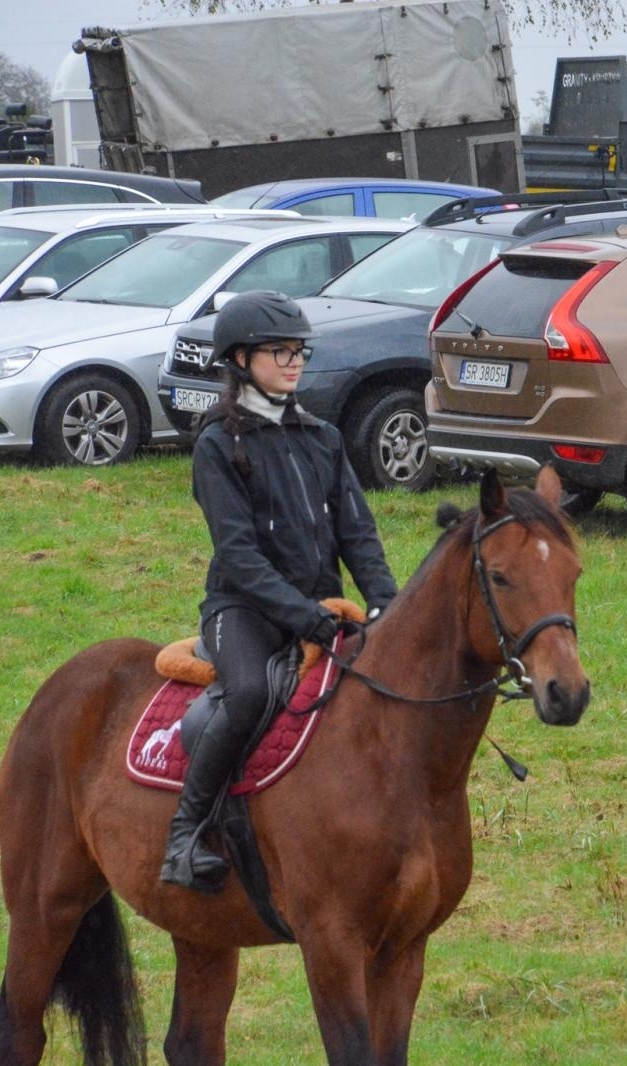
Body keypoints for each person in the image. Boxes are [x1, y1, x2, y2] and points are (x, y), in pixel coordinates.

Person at [160, 290, 399, 891]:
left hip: (320, 605)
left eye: (299, 352)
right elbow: (238, 558)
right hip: (242, 608)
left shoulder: (322, 436)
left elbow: (357, 531)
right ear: (239, 360)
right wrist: (303, 618)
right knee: (244, 693)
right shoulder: (217, 444)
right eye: (279, 352)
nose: (294, 363)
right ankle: (185, 835)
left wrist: (385, 602)